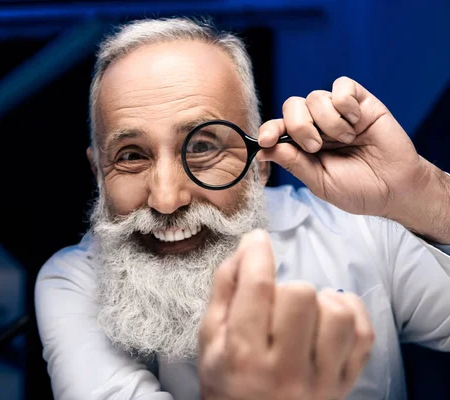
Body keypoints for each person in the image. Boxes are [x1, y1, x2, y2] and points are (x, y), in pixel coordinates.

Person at [34, 17, 450, 400]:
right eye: (130, 156)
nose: (165, 199)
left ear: (261, 162)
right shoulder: (73, 281)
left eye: (201, 147)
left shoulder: (360, 229)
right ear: (98, 174)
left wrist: (425, 192)